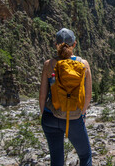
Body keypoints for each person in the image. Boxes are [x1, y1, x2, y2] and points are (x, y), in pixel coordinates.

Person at [39, 28, 92, 166]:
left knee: (56, 160)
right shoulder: (83, 64)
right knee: (85, 155)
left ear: (56, 45)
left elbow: (42, 96)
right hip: (74, 118)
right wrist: (82, 115)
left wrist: (44, 115)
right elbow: (87, 97)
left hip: (51, 116)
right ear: (74, 44)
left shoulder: (48, 64)